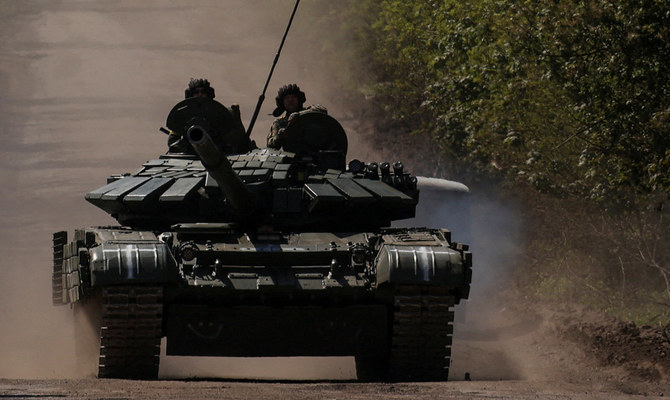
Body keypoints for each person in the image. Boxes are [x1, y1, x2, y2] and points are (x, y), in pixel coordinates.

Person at [168, 78, 248, 152]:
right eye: (196, 92)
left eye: (203, 92)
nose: (200, 95)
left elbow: (237, 138)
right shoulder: (182, 115)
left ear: (208, 94)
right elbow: (172, 141)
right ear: (190, 95)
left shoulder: (222, 113)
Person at [266, 83, 327, 149]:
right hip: (293, 157)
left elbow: (322, 110)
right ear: (282, 103)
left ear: (299, 99)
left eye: (293, 97)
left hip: (317, 154)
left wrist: (299, 115)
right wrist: (281, 136)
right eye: (286, 98)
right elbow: (271, 145)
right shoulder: (279, 123)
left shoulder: (311, 113)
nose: (290, 100)